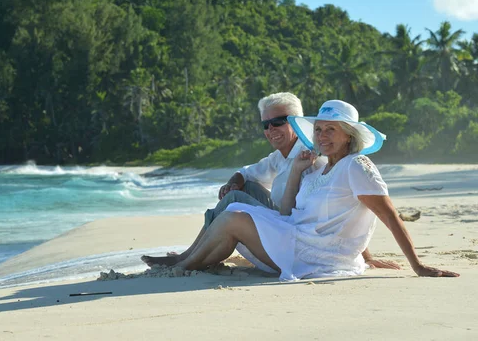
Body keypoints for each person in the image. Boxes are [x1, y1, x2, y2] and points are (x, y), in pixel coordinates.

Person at [150, 100, 459, 279]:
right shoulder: (321, 166)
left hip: (320, 254)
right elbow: (286, 212)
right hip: (295, 234)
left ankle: (182, 266)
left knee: (233, 217)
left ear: (349, 136)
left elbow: (389, 216)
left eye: (331, 130)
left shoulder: (357, 166)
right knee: (233, 209)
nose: (322, 136)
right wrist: (296, 172)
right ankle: (189, 264)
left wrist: (416, 265)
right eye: (319, 129)